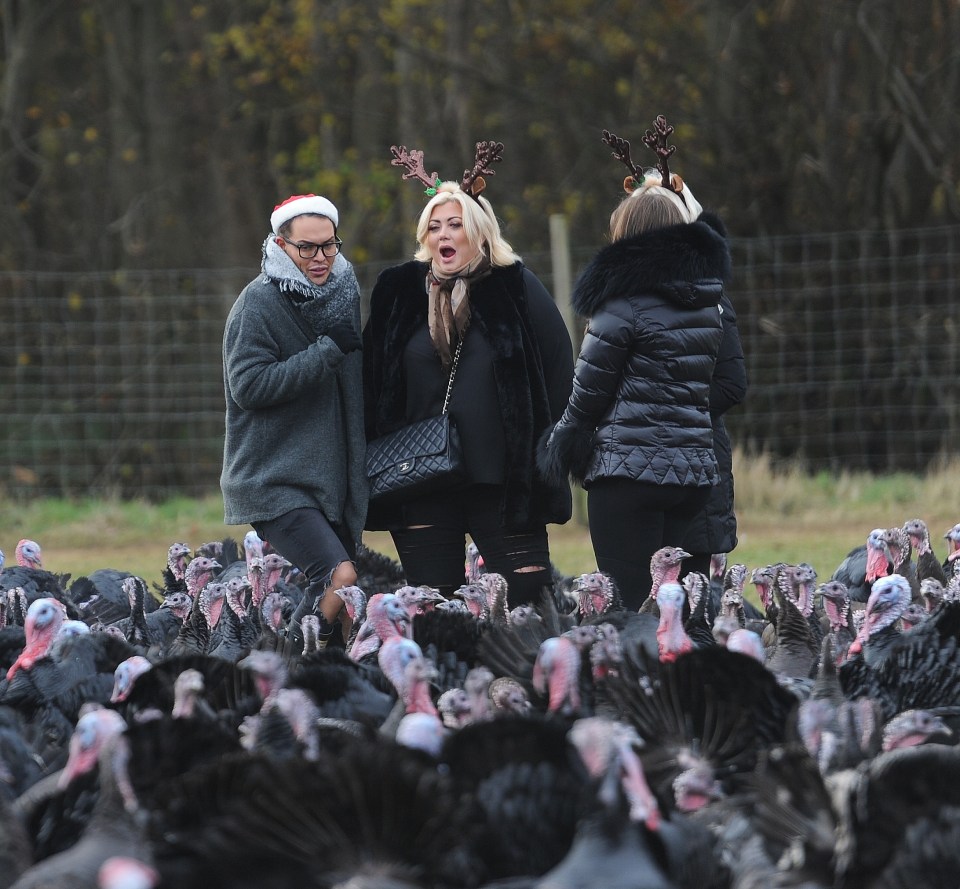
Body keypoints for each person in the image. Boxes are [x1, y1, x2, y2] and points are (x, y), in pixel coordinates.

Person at [362, 141, 574, 606]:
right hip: (418, 475)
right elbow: (372, 380)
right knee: (430, 606)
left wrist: (548, 449)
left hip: (501, 478)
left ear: (479, 232)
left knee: (527, 600)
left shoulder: (514, 285)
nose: (444, 235)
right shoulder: (399, 291)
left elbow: (560, 367)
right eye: (434, 226)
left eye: (455, 224)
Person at [538, 117, 728, 611]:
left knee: (628, 606)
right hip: (692, 474)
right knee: (677, 608)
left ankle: (636, 686)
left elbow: (590, 390)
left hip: (629, 474)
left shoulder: (621, 306)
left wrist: (565, 441)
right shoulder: (709, 304)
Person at [220, 193, 367, 647]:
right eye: (307, 248)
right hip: (273, 481)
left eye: (329, 245)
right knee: (340, 577)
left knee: (347, 601)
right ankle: (292, 663)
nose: (321, 257)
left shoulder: (343, 293)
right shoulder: (257, 305)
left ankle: (314, 677)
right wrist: (325, 352)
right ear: (280, 245)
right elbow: (248, 387)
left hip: (333, 481)